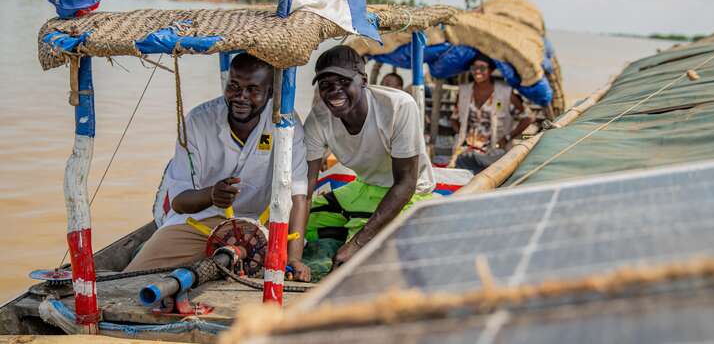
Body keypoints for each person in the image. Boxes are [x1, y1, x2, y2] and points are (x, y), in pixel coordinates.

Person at [125, 53, 311, 281]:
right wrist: (212, 195)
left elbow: (298, 197)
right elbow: (179, 202)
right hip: (202, 221)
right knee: (128, 280)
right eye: (234, 86)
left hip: (260, 229)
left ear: (271, 93)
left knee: (279, 285)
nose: (241, 97)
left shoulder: (286, 123)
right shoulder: (198, 121)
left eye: (253, 89)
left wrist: (293, 258)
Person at [302, 45, 435, 276]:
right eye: (326, 85)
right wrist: (288, 246)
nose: (334, 92)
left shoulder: (398, 107)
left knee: (364, 254)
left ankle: (348, 244)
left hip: (410, 194)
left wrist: (356, 244)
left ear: (363, 80)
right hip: (364, 188)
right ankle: (333, 251)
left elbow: (405, 183)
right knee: (313, 216)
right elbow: (304, 188)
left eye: (343, 82)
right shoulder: (318, 118)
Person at [450, 54, 533, 174]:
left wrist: (507, 138)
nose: (477, 71)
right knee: (460, 181)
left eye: (482, 68)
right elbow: (454, 118)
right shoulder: (464, 91)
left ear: (491, 70)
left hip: (493, 153)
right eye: (474, 68)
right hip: (466, 151)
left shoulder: (505, 92)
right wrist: (460, 134)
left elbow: (528, 118)